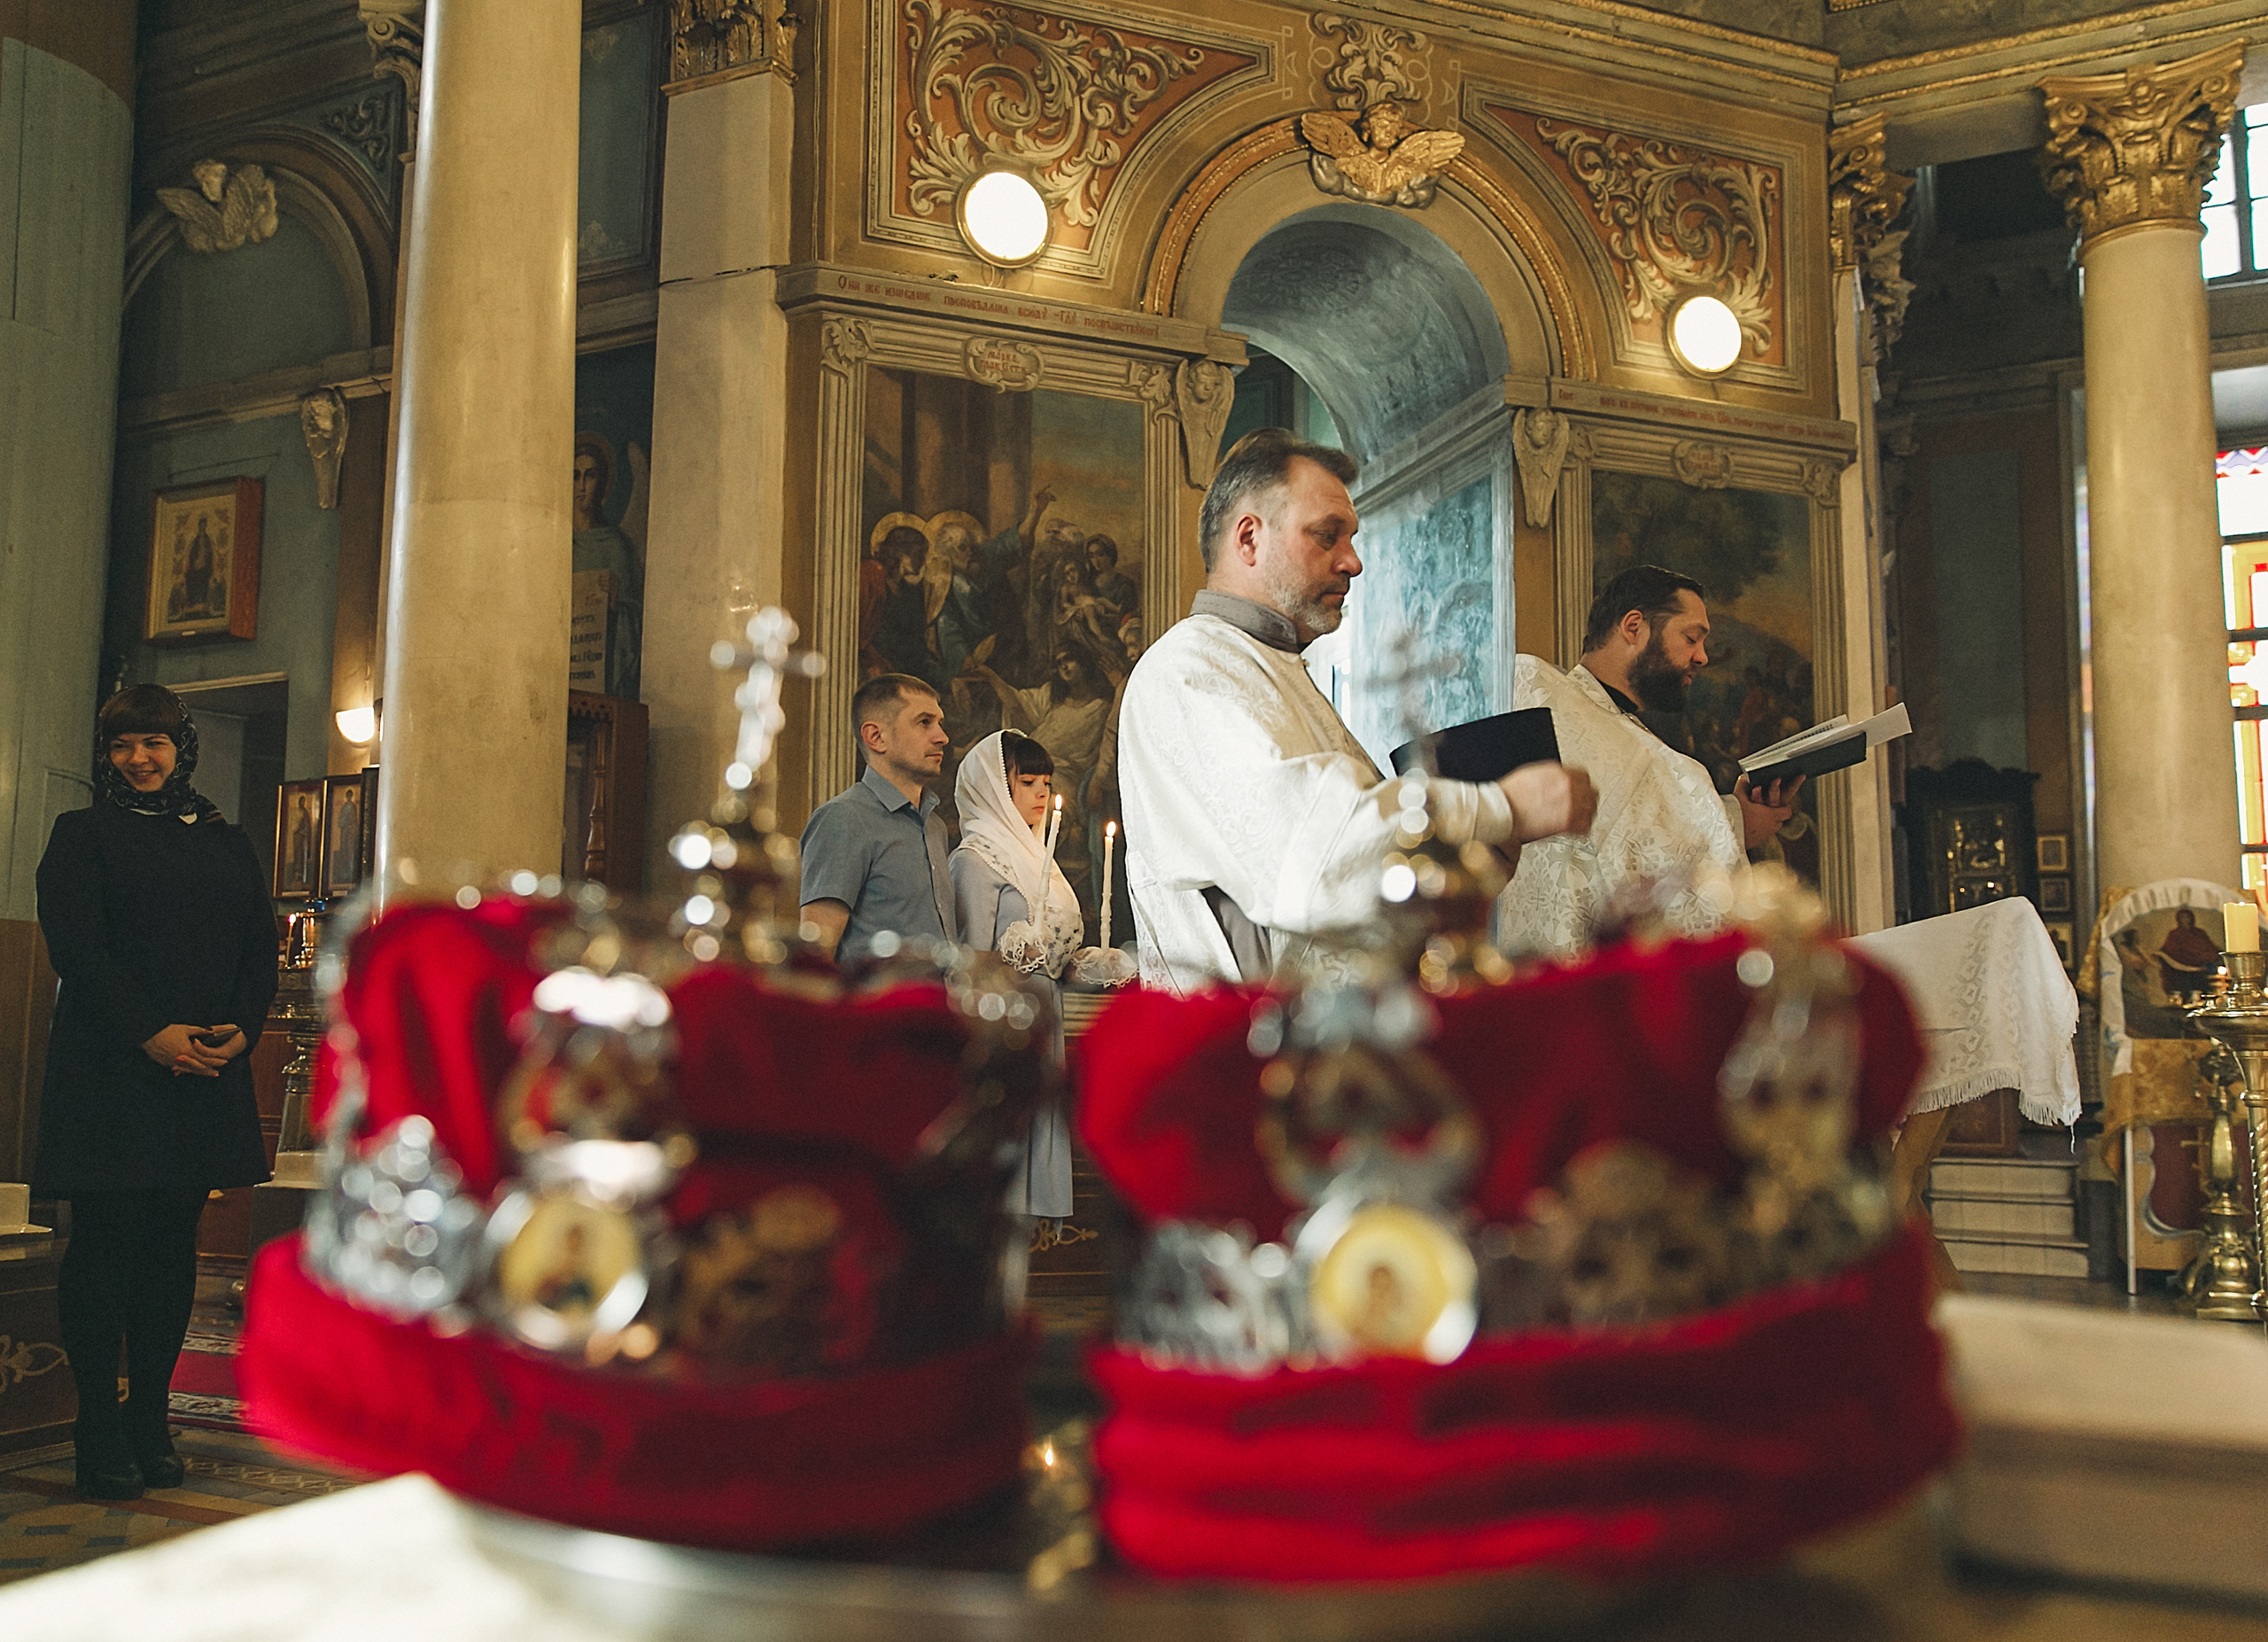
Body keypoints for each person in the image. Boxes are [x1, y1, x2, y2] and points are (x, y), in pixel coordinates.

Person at [1115, 427, 1597, 993]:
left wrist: (1465, 860)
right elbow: (1316, 861)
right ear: (1248, 538)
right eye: (1327, 537)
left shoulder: (1275, 667)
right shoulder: (1191, 669)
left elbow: (1360, 903)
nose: (1353, 562)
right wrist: (1501, 807)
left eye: (1352, 538)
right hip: (1253, 1056)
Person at [34, 685, 278, 1501]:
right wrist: (151, 1034)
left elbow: (257, 947)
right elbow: (79, 948)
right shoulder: (82, 835)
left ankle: (152, 1419)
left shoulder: (225, 840)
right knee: (105, 1243)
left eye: (156, 742)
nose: (140, 758)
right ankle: (97, 1421)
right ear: (107, 753)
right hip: (112, 1070)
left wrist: (242, 1027)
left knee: (173, 1244)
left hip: (202, 1070)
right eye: (123, 745)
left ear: (184, 746)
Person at [1497, 565, 1803, 959]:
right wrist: (1734, 822)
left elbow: (1640, 843)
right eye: (1691, 637)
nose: (1703, 656)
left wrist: (1736, 819)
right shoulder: (1531, 685)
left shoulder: (1658, 754)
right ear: (1634, 627)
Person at [948, 729, 1083, 1218]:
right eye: (1028, 782)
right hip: (1003, 1029)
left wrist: (1087, 965)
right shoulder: (977, 861)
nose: (1043, 794)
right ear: (997, 789)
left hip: (1043, 1018)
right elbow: (972, 960)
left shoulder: (1034, 859)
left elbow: (1052, 958)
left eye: (1047, 782)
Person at [797, 673, 959, 961]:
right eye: (924, 722)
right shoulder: (844, 819)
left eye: (940, 723)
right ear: (876, 737)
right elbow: (816, 952)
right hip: (874, 1005)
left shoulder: (933, 826)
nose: (942, 737)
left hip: (934, 1004)